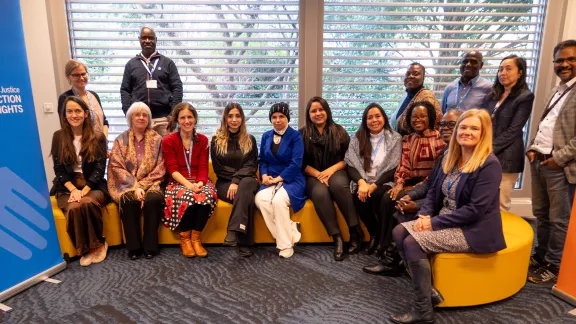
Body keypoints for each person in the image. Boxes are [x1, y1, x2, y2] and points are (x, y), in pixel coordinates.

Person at [390, 109, 505, 324]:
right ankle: (430, 291)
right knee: (398, 231)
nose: (466, 132)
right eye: (463, 127)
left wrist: (432, 223)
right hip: (446, 219)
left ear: (484, 133)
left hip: (472, 230)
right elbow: (434, 191)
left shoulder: (489, 165)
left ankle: (423, 310)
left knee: (412, 242)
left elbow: (475, 211)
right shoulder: (452, 156)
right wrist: (424, 215)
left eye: (474, 128)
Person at [363, 109, 461, 276]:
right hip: (420, 188)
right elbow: (430, 182)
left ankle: (391, 258)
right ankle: (386, 248)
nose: (445, 128)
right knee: (392, 199)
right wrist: (407, 193)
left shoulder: (448, 148)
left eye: (451, 125)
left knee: (400, 208)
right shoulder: (445, 153)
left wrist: (416, 203)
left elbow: (437, 191)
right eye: (443, 124)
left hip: (446, 206)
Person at [526, 39, 576, 284]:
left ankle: (554, 265)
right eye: (559, 60)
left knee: (559, 219)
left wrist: (559, 158)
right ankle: (541, 255)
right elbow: (546, 123)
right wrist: (533, 146)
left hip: (560, 167)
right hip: (540, 161)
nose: (564, 64)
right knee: (541, 214)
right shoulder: (559, 88)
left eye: (571, 59)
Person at [372, 101, 445, 256]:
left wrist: (415, 188)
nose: (418, 120)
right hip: (409, 184)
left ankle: (387, 247)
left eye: (422, 116)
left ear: (430, 117)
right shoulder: (407, 139)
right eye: (414, 117)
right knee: (387, 197)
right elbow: (403, 165)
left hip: (428, 187)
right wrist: (399, 184)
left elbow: (434, 175)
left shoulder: (440, 139)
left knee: (398, 201)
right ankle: (383, 242)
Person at [300, 97, 363, 261]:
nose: (318, 113)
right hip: (311, 174)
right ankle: (337, 238)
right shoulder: (302, 134)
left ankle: (355, 230)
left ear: (327, 111)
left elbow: (348, 159)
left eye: (321, 109)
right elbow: (299, 162)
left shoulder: (339, 131)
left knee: (339, 185)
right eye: (313, 111)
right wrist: (318, 175)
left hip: (337, 170)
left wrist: (329, 171)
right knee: (320, 193)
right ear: (308, 114)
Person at [50, 96, 109, 267]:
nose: (74, 115)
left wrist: (84, 190)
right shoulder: (58, 137)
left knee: (87, 202)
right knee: (74, 206)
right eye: (70, 111)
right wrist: (72, 189)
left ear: (85, 114)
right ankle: (85, 249)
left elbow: (99, 169)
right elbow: (58, 169)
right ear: (65, 115)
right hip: (66, 185)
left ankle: (98, 245)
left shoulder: (97, 137)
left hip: (93, 184)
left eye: (77, 111)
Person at [107, 102, 166, 260]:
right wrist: (134, 186)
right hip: (126, 185)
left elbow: (161, 167)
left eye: (144, 115)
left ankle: (150, 246)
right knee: (128, 200)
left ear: (149, 118)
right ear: (130, 118)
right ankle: (134, 247)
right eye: (137, 114)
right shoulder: (121, 140)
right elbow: (116, 166)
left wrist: (141, 186)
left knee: (153, 199)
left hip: (152, 183)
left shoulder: (157, 139)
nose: (141, 117)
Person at [345, 103, 402, 256]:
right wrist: (362, 183)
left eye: (378, 116)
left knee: (378, 196)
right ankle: (374, 234)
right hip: (363, 181)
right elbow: (350, 164)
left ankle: (383, 239)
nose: (374, 120)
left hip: (384, 181)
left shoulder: (395, 138)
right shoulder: (358, 138)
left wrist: (374, 185)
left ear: (384, 118)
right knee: (357, 197)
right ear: (365, 121)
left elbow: (393, 168)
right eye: (370, 117)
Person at [161, 102, 217, 258]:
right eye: (183, 118)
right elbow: (172, 170)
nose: (187, 121)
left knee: (206, 196)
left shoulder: (203, 140)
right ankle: (185, 239)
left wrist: (199, 183)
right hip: (178, 182)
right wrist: (189, 186)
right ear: (177, 120)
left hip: (199, 181)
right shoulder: (168, 141)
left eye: (190, 117)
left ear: (195, 119)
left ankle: (196, 239)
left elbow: (203, 167)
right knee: (188, 197)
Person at [255, 103, 305, 259]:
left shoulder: (296, 136)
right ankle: (291, 229)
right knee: (260, 199)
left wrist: (278, 178)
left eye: (281, 116)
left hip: (292, 179)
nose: (277, 120)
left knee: (278, 201)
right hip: (270, 179)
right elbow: (262, 160)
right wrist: (263, 175)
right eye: (274, 117)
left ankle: (285, 244)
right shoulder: (266, 136)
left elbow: (296, 163)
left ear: (287, 117)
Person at [484, 55, 534, 211]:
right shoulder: (493, 94)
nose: (502, 72)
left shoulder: (525, 96)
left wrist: (488, 149)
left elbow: (514, 130)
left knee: (500, 204)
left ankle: (500, 235)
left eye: (508, 68)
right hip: (485, 153)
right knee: (483, 201)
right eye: (500, 69)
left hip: (507, 157)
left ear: (520, 73)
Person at [211, 103, 259, 258]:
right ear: (225, 118)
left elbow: (251, 165)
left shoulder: (250, 139)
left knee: (245, 185)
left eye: (237, 116)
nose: (234, 119)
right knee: (247, 199)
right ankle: (245, 243)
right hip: (225, 183)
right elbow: (219, 168)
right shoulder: (216, 140)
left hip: (247, 180)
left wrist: (236, 181)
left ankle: (232, 231)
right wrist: (233, 181)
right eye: (230, 116)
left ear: (242, 118)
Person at [120, 26, 183, 136]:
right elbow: (125, 90)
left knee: (165, 152)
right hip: (139, 119)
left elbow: (177, 88)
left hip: (163, 120)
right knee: (141, 152)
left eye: (151, 38)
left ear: (156, 40)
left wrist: (173, 114)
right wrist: (128, 113)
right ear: (139, 40)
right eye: (144, 38)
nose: (147, 41)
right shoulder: (131, 64)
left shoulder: (167, 63)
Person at [58, 59, 109, 138]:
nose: (81, 78)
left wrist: (104, 140)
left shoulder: (94, 95)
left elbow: (104, 122)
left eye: (83, 74)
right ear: (68, 77)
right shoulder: (65, 98)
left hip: (99, 144)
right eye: (76, 75)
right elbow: (65, 126)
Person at [390, 63, 442, 136]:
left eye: (415, 74)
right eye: (407, 74)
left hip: (419, 144)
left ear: (423, 78)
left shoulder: (427, 96)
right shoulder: (404, 98)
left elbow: (433, 125)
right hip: (401, 144)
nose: (410, 76)